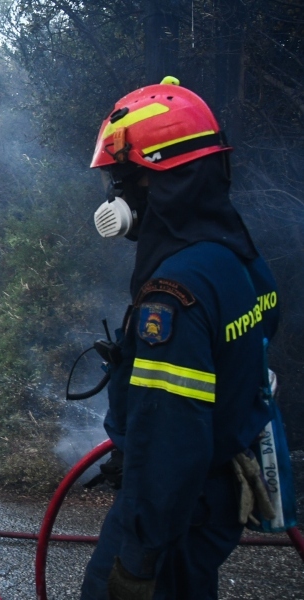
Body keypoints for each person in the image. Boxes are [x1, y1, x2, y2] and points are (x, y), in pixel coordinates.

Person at [81, 77, 280, 599]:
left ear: (160, 182)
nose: (114, 197)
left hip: (175, 511)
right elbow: (259, 340)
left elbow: (171, 439)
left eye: (123, 180)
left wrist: (140, 560)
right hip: (215, 492)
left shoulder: (172, 294)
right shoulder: (235, 252)